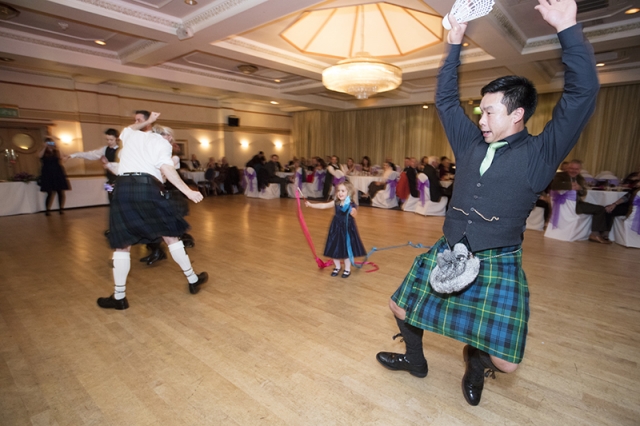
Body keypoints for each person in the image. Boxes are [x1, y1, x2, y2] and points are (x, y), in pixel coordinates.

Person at [376, 0, 599, 407]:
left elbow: (582, 95)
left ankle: (476, 364)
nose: (480, 119)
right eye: (481, 110)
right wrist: (453, 43)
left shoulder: (540, 153)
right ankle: (415, 360)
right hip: (448, 250)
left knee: (506, 362)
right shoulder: (470, 143)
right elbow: (446, 102)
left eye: (490, 112)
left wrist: (568, 29)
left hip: (497, 258)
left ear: (517, 114)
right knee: (399, 306)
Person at [97, 111, 208, 310]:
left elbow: (131, 129)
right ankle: (192, 279)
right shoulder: (157, 142)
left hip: (123, 189)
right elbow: (166, 168)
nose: (169, 139)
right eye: (167, 136)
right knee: (171, 236)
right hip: (147, 188)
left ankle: (119, 297)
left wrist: (147, 121)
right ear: (158, 131)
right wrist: (188, 191)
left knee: (122, 245)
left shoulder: (130, 136)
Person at [305, 181, 366, 278]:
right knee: (334, 247)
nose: (340, 193)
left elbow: (354, 213)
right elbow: (324, 205)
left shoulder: (351, 204)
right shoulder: (336, 202)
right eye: (338, 190)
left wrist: (350, 210)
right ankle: (337, 267)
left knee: (346, 250)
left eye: (343, 191)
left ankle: (347, 269)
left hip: (347, 229)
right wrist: (311, 204)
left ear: (349, 192)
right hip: (336, 228)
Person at [550, 159, 614, 243]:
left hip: (577, 202)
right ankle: (595, 234)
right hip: (565, 205)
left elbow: (583, 193)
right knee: (600, 209)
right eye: (571, 168)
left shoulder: (579, 178)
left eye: (576, 169)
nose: (573, 171)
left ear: (580, 170)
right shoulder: (560, 175)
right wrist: (570, 185)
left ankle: (602, 233)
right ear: (568, 168)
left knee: (601, 208)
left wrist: (580, 188)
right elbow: (554, 185)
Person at [38, 137, 70, 216]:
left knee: (60, 191)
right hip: (47, 173)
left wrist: (58, 147)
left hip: (57, 172)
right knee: (49, 192)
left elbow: (62, 157)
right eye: (48, 143)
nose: (50, 144)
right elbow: (39, 156)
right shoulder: (43, 151)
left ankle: (61, 209)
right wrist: (45, 147)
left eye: (51, 143)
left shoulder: (56, 151)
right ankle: (47, 210)